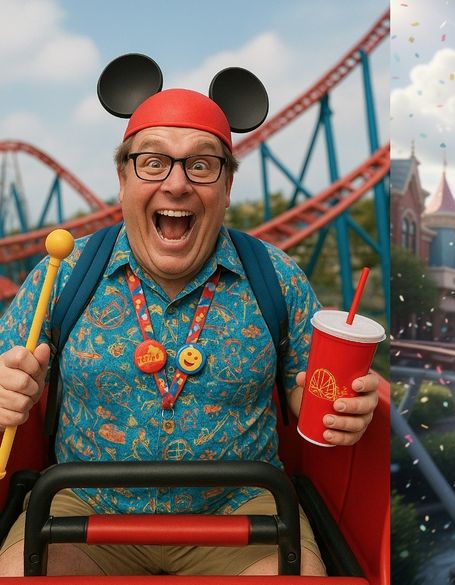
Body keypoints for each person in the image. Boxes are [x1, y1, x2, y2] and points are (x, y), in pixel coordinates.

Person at [0, 55, 380, 576]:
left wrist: (345, 408)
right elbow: (5, 370)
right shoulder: (63, 273)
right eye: (152, 162)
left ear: (226, 187)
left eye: (201, 165)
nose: (176, 185)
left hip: (246, 514)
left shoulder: (276, 275)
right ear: (123, 178)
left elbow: (307, 390)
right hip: (81, 509)